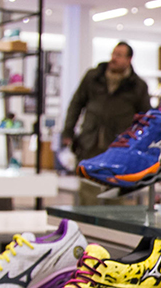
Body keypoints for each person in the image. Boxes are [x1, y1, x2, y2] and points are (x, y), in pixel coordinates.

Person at [60, 42, 151, 204]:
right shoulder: (93, 77)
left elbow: (145, 118)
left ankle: (111, 228)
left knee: (115, 196)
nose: (113, 58)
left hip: (118, 147)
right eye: (113, 53)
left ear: (129, 59)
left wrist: (140, 146)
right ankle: (86, 228)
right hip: (90, 142)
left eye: (119, 55)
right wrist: (68, 131)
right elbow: (76, 104)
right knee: (88, 194)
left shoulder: (137, 86)